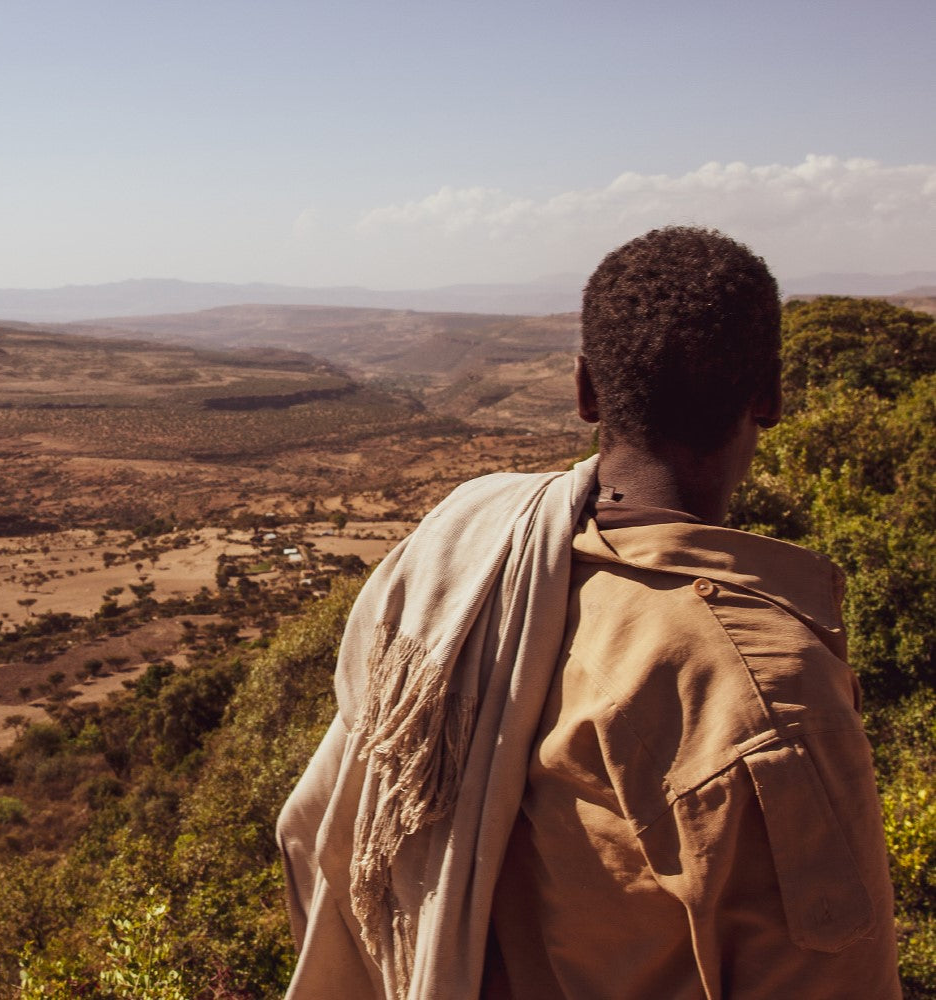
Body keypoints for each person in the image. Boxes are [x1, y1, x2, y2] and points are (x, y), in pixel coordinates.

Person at [276, 226, 900, 999]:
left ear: (584, 390)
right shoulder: (756, 693)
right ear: (768, 397)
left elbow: (319, 823)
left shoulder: (464, 552)